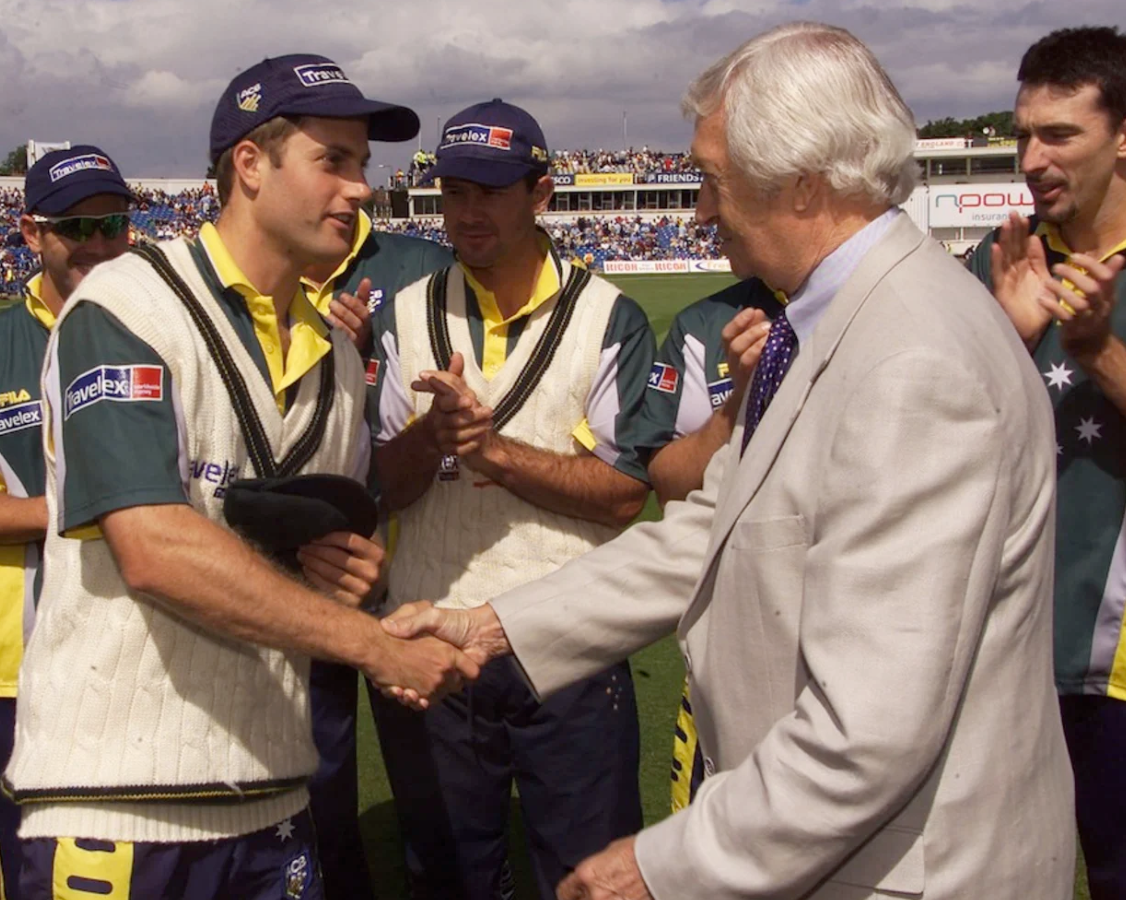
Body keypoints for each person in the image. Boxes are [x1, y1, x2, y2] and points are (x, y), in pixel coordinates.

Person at [383, 22, 1076, 900]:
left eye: (710, 180)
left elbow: (870, 731)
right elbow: (717, 523)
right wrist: (493, 626)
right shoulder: (839, 322)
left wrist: (660, 863)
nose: (700, 210)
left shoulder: (912, 363)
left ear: (800, 183)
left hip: (902, 868)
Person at [2, 54, 477, 900]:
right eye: (333, 160)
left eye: (363, 165)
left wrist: (349, 572)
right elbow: (151, 546)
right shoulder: (125, 305)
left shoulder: (335, 354)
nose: (362, 188)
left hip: (276, 795)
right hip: (118, 806)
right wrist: (370, 645)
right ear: (249, 166)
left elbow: (313, 542)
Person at [366, 99, 659, 899]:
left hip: (566, 640)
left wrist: (490, 448)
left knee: (590, 874)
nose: (468, 213)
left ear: (540, 194)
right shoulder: (405, 314)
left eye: (490, 192)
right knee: (450, 872)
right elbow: (379, 488)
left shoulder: (608, 320)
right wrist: (432, 437)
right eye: (454, 191)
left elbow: (623, 496)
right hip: (430, 634)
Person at [967, 25, 1126, 900]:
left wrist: (1095, 350)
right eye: (1022, 134)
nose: (1031, 156)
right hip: (997, 644)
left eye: (1059, 134)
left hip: (1114, 666)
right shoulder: (994, 264)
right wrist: (1005, 335)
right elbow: (927, 436)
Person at [0, 145, 134, 900]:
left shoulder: (164, 328)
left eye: (112, 225)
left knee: (154, 838)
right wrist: (75, 514)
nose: (97, 245)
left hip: (156, 635)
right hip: (29, 648)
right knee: (36, 848)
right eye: (77, 228)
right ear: (32, 233)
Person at [298, 167, 452, 900]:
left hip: (412, 559)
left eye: (351, 162)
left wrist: (364, 362)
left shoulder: (418, 264)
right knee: (313, 768)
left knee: (432, 770)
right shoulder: (260, 267)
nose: (346, 186)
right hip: (304, 559)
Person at [642, 275, 783, 814]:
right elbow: (668, 486)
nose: (703, 211)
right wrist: (737, 410)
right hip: (733, 639)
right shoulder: (703, 326)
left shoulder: (882, 301)